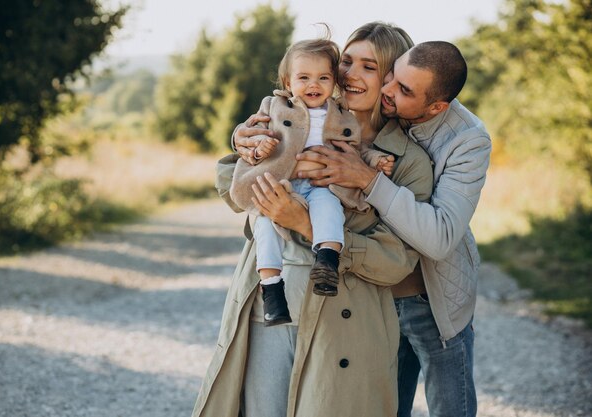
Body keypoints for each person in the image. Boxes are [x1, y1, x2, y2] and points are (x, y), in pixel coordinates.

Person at [192, 22, 433, 417]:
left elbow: (395, 263)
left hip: (345, 325)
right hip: (270, 304)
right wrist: (248, 145)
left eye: (369, 67)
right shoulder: (291, 121)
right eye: (347, 61)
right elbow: (229, 186)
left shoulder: (406, 161)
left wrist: (303, 222)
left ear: (391, 78)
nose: (350, 74)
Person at [295, 41, 492, 417]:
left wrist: (370, 179)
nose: (388, 90)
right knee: (387, 407)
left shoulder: (467, 140)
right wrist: (244, 136)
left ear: (435, 107)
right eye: (392, 76)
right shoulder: (357, 110)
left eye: (404, 91)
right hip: (375, 296)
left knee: (451, 407)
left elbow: (440, 237)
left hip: (430, 297)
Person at [230, 34, 397, 327]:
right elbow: (253, 134)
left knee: (329, 208)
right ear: (287, 82)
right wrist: (255, 145)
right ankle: (271, 289)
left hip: (320, 185)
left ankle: (327, 260)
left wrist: (373, 161)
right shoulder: (274, 106)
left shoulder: (341, 115)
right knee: (265, 224)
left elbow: (355, 148)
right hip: (280, 182)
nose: (313, 85)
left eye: (323, 78)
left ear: (333, 82)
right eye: (304, 77)